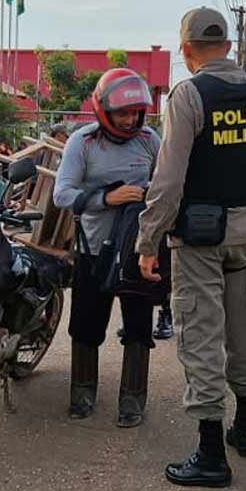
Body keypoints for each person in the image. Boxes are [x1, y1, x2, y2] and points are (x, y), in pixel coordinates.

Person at [136, 7, 246, 488]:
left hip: (199, 236)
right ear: (226, 45)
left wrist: (148, 240)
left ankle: (210, 453)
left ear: (186, 50)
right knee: (241, 326)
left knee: (201, 333)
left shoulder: (189, 95)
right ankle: (243, 428)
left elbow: (167, 179)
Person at [53, 68, 163, 429]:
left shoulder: (149, 140)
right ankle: (81, 394)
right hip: (93, 250)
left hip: (138, 249)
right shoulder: (82, 142)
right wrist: (106, 197)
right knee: (85, 325)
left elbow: (167, 185)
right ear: (103, 109)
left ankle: (133, 401)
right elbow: (62, 193)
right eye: (123, 113)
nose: (131, 119)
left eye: (136, 112)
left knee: (137, 327)